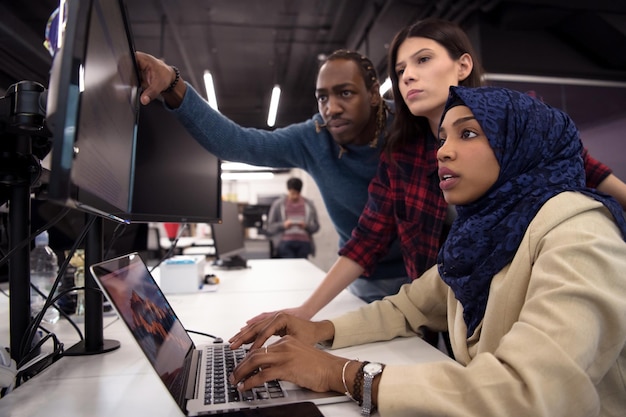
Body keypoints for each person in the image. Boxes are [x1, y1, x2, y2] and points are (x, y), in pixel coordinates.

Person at [227, 86, 626, 417]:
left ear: (519, 143)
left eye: (467, 134)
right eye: (442, 138)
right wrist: (319, 331)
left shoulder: (580, 234)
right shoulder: (484, 234)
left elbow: (530, 394)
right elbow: (409, 306)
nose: (443, 151)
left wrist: (343, 373)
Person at [245, 17, 626, 323]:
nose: (407, 75)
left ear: (462, 65)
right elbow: (367, 240)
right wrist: (305, 313)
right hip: (449, 311)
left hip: (531, 301)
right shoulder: (402, 155)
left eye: (422, 60)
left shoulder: (517, 121)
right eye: (400, 68)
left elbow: (595, 175)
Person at [136, 49, 410, 302]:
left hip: (427, 270)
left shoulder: (411, 125)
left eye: (346, 93)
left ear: (374, 93)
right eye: (323, 97)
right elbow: (236, 142)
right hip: (365, 278)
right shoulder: (314, 137)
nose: (332, 108)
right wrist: (173, 83)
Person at [266, 177, 320, 258]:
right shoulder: (278, 205)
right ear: (288, 191)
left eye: (297, 193)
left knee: (302, 268)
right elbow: (270, 227)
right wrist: (283, 225)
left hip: (304, 243)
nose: (294, 196)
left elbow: (316, 226)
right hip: (285, 242)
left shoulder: (309, 205)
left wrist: (306, 226)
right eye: (292, 193)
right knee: (289, 267)